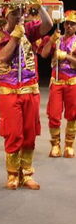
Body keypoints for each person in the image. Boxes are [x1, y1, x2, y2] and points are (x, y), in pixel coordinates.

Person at [0, 0, 53, 189]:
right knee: (13, 134)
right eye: (14, 13)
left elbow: (48, 25)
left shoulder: (28, 31)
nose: (19, 16)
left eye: (21, 12)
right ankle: (13, 174)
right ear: (6, 16)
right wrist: (15, 36)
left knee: (30, 134)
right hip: (9, 91)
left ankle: (27, 173)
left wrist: (39, 7)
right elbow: (3, 56)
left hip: (30, 89)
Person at [40, 11, 76, 157]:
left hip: (72, 81)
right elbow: (44, 54)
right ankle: (55, 144)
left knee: (72, 114)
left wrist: (66, 56)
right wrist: (51, 40)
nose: (69, 26)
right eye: (67, 23)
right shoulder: (57, 39)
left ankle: (69, 145)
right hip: (56, 81)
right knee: (54, 114)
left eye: (72, 24)